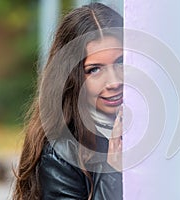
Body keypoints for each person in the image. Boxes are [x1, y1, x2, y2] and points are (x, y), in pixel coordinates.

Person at [13, 3, 123, 200]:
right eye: (94, 70)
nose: (114, 82)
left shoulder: (144, 127)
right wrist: (113, 172)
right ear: (72, 77)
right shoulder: (60, 154)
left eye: (120, 62)